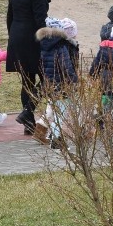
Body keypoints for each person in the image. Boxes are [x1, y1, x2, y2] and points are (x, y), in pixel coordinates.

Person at [6, 0, 51, 135]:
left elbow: (9, 17)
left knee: (27, 81)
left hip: (17, 38)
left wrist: (13, 38)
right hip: (34, 40)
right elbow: (41, 21)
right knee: (48, 78)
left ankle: (28, 123)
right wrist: (47, 40)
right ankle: (27, 112)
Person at [34, 17, 79, 146]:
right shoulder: (61, 46)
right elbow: (66, 66)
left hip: (50, 82)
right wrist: (74, 80)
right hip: (62, 83)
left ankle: (41, 131)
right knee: (61, 112)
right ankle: (56, 138)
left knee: (53, 108)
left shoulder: (44, 45)